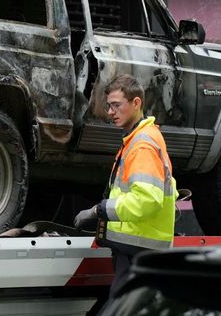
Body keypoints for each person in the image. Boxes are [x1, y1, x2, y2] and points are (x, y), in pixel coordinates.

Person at [73, 74, 178, 299]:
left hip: (138, 250)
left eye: (116, 105)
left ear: (136, 103)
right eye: (109, 106)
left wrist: (98, 210)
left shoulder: (142, 145)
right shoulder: (139, 139)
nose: (110, 112)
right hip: (137, 249)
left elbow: (146, 201)